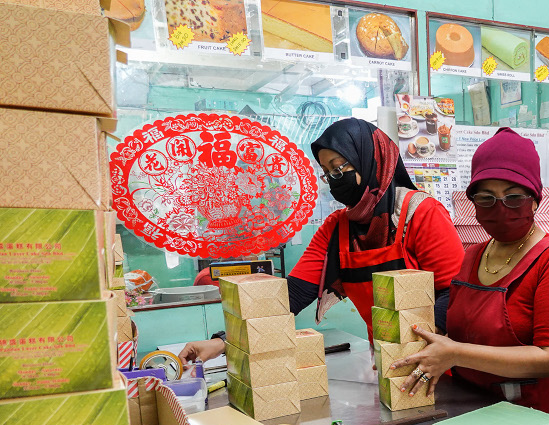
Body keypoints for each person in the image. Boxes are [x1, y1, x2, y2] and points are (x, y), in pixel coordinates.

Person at [179, 118, 464, 364]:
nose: (333, 179)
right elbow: (290, 296)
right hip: (388, 357)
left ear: (370, 159)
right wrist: (221, 342)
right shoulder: (337, 228)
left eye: (339, 168)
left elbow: (453, 294)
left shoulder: (420, 213)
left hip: (440, 356)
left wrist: (416, 348)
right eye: (327, 173)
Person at [388, 128, 549, 425]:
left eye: (513, 197)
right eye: (486, 198)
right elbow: (457, 327)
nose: (500, 208)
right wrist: (409, 351)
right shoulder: (472, 255)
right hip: (477, 410)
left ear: (534, 200)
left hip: (538, 421)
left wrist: (455, 353)